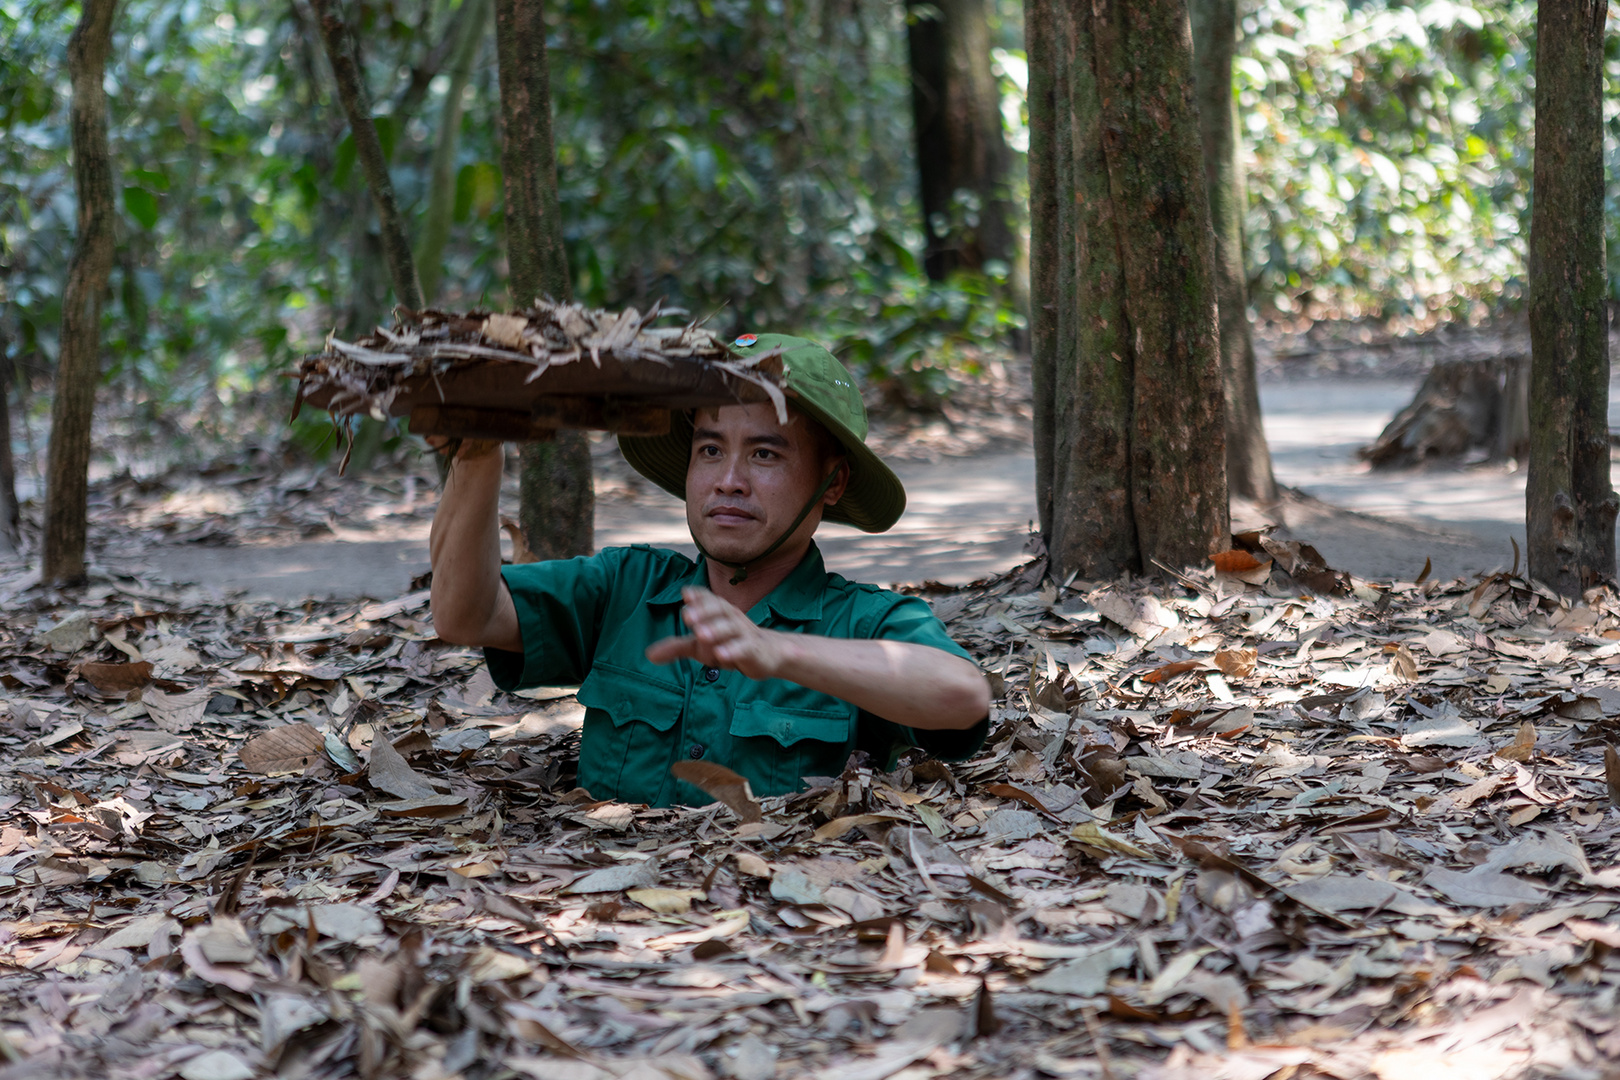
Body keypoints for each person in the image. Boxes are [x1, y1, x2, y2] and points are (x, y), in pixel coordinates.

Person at [428, 333, 990, 807]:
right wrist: (477, 456)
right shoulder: (626, 588)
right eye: (711, 450)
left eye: (765, 454)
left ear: (833, 482)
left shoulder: (864, 622)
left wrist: (779, 652)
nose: (729, 480)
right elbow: (464, 614)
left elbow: (963, 695)